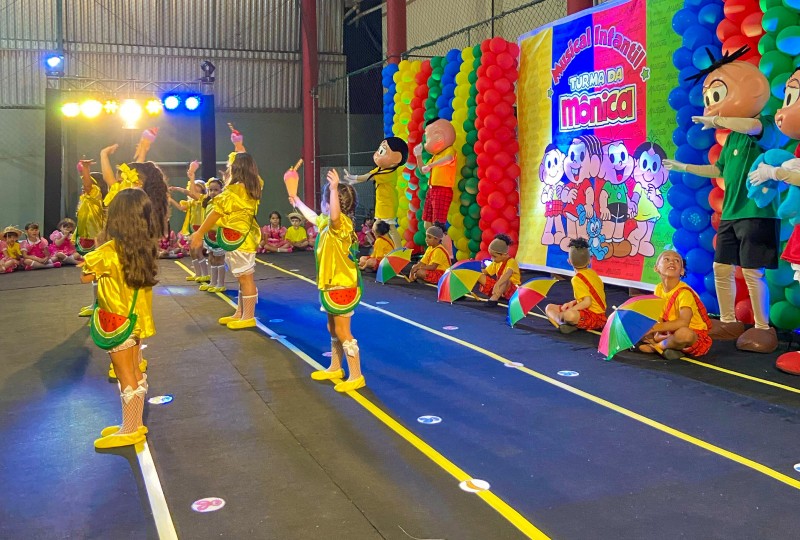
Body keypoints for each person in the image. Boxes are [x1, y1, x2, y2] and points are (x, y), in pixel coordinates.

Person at [664, 46, 780, 353]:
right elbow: (719, 169)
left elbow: (753, 126)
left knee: (753, 272)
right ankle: (729, 321)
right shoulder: (731, 139)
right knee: (722, 267)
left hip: (758, 212)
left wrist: (717, 120)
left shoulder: (764, 123)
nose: (711, 105)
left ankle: (762, 327)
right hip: (730, 214)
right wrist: (683, 166)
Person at [81, 188, 158, 449]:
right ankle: (133, 423)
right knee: (135, 371)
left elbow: (85, 275)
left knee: (126, 375)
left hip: (116, 320)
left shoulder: (106, 252)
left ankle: (130, 429)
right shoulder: (145, 249)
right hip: (136, 321)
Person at [288, 169, 365, 392]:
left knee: (343, 331)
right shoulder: (329, 225)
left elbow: (333, 217)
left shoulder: (341, 226)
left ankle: (356, 375)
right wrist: (298, 201)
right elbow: (314, 217)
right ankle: (335, 366)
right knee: (332, 327)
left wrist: (332, 189)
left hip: (342, 284)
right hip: (331, 284)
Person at [192, 152, 262, 330]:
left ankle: (248, 316)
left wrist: (199, 233)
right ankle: (241, 312)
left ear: (236, 169)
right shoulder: (254, 186)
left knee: (245, 278)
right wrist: (239, 146)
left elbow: (216, 212)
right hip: (245, 236)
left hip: (238, 237)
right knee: (243, 277)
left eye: (231, 165)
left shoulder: (234, 191)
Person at [639, 250, 712, 360]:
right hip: (669, 329)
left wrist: (654, 328)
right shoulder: (658, 288)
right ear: (656, 268)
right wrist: (656, 332)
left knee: (684, 334)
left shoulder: (684, 293)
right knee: (641, 326)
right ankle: (670, 345)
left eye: (676, 261)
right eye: (666, 259)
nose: (672, 262)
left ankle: (658, 346)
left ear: (682, 271)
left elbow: (683, 322)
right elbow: (660, 316)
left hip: (692, 332)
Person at [344, 137, 408, 247]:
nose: (377, 154)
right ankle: (386, 248)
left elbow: (369, 177)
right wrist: (355, 180)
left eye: (382, 152)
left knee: (389, 228)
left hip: (388, 204)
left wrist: (354, 177)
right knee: (378, 228)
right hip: (381, 204)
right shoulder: (381, 168)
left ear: (397, 158)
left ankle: (398, 250)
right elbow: (369, 174)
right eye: (379, 150)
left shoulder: (389, 173)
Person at [545, 238, 607, 333]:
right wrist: (571, 303)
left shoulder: (577, 279)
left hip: (595, 318)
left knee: (569, 315)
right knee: (549, 307)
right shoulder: (592, 273)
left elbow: (587, 302)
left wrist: (571, 309)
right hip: (594, 314)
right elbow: (589, 298)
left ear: (569, 261)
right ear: (589, 261)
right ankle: (568, 323)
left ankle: (560, 321)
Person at [169, 161, 209, 283]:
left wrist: (191, 178)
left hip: (201, 228)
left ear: (202, 190)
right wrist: (170, 199)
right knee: (192, 252)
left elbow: (191, 193)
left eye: (197, 187)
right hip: (192, 228)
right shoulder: (192, 202)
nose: (194, 189)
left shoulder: (203, 199)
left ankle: (205, 274)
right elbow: (181, 208)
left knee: (198, 251)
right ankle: (198, 274)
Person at [476, 234, 520, 307]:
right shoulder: (496, 262)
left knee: (505, 279)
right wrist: (478, 267)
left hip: (511, 290)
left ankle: (494, 299)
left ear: (504, 254)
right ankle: (497, 293)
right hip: (498, 288)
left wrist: (497, 284)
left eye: (494, 256)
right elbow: (485, 272)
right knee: (479, 275)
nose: (492, 259)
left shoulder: (511, 262)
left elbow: (508, 274)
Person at [201, 178, 227, 293]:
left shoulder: (223, 203)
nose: (212, 192)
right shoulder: (208, 203)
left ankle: (221, 283)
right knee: (211, 258)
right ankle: (213, 281)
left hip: (218, 235)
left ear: (222, 190)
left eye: (216, 190)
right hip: (209, 235)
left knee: (219, 259)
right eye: (210, 190)